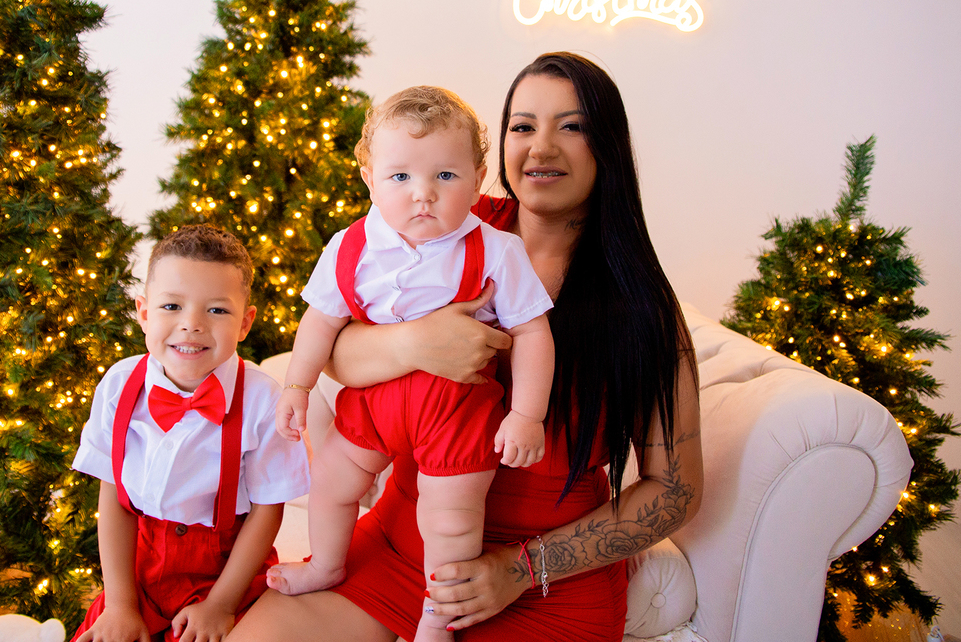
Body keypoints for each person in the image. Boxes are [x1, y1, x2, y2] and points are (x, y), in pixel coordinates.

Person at [231, 52, 703, 642]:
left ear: (607, 144)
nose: (542, 148)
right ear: (495, 151)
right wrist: (415, 344)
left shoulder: (641, 304)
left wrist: (524, 568)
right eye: (523, 126)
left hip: (545, 584)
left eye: (572, 126)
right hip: (403, 543)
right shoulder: (449, 220)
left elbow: (675, 492)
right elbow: (338, 349)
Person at [267, 87, 556, 642]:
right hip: (375, 402)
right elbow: (320, 323)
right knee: (328, 481)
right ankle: (327, 564)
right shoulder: (351, 246)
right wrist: (297, 385)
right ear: (369, 175)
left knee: (449, 520)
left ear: (477, 177)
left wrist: (526, 415)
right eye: (400, 178)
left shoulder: (497, 250)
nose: (422, 194)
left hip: (456, 409)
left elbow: (532, 331)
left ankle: (437, 611)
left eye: (445, 177)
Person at [70, 225, 310, 642]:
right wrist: (121, 603)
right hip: (138, 573)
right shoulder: (118, 384)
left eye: (216, 311)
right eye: (171, 307)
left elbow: (267, 510)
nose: (191, 325)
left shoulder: (261, 398)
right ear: (143, 312)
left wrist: (220, 604)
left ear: (245, 322)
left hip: (225, 571)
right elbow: (114, 498)